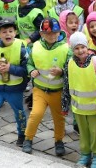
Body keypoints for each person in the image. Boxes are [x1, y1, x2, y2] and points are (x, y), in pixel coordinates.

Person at [22, 18, 69, 155]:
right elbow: (29, 62)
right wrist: (31, 71)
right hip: (39, 90)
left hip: (57, 91)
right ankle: (28, 139)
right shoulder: (35, 46)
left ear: (59, 32)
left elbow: (70, 67)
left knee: (59, 118)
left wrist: (62, 72)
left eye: (54, 33)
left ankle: (59, 141)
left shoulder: (66, 48)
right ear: (41, 34)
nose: (51, 36)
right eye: (47, 33)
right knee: (36, 114)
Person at [62, 31, 96, 168]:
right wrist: (64, 105)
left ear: (87, 46)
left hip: (95, 107)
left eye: (82, 47)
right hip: (78, 107)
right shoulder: (69, 63)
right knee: (83, 132)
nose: (80, 51)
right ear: (72, 49)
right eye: (76, 48)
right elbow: (66, 84)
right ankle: (85, 154)